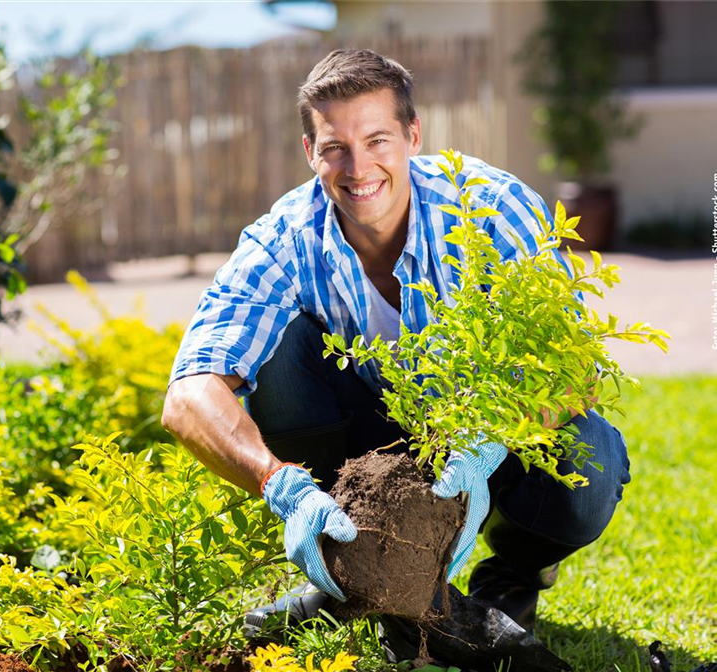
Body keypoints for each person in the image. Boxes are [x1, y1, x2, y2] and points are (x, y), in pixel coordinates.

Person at [160, 49, 630, 637]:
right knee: (274, 352)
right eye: (335, 148)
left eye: (377, 140)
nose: (358, 168)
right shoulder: (284, 238)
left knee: (591, 458)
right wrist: (278, 483)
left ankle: (512, 574)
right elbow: (189, 393)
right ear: (311, 153)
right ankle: (349, 562)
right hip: (362, 447)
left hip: (487, 435)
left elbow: (573, 362)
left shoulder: (486, 207)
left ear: (412, 134)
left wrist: (487, 443)